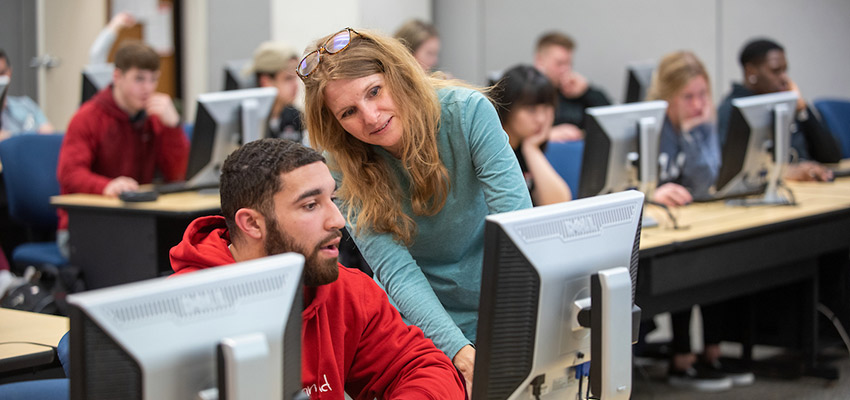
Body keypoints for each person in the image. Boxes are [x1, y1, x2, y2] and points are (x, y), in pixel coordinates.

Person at [299, 28, 532, 390]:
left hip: (500, 305)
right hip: (416, 320)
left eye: (374, 91)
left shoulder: (467, 113)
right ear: (336, 123)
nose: (372, 117)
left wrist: (506, 337)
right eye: (348, 112)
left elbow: (518, 232)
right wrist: (460, 352)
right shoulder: (340, 164)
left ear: (399, 75)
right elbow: (398, 272)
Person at [170, 138, 466, 399]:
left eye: (333, 199)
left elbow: (425, 368)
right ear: (252, 224)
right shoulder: (181, 317)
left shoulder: (345, 289)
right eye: (311, 205)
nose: (338, 220)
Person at [644, 51, 754, 391]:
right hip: (664, 224)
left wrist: (696, 133)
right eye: (687, 97)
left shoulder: (699, 125)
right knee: (690, 269)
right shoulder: (653, 128)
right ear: (668, 98)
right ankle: (682, 358)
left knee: (720, 259)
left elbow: (707, 178)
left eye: (702, 95)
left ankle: (711, 353)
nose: (697, 104)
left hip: (695, 216)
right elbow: (644, 181)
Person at [56, 41, 188, 257]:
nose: (148, 88)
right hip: (84, 227)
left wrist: (172, 128)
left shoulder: (153, 118)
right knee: (143, 257)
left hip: (137, 221)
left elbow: (178, 175)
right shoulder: (87, 118)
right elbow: (69, 174)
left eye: (153, 79)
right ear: (117, 77)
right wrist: (106, 186)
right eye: (139, 79)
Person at [718, 38, 841, 182]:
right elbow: (730, 170)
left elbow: (832, 157)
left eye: (785, 70)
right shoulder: (733, 110)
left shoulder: (786, 103)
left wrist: (802, 109)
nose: (785, 78)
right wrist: (786, 172)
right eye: (776, 71)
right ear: (751, 72)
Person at [491, 64, 571, 205]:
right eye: (531, 109)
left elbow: (559, 202)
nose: (540, 119)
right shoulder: (491, 150)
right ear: (507, 107)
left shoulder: (526, 144)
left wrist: (531, 148)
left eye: (546, 108)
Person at [533, 31, 611, 142]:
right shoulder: (526, 93)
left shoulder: (574, 91)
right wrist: (547, 135)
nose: (565, 69)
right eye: (559, 64)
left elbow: (609, 119)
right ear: (540, 61)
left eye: (569, 63)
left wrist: (586, 91)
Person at [245, 41, 305, 143]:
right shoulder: (248, 124)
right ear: (266, 81)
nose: (295, 85)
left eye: (296, 78)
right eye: (288, 78)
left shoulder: (296, 117)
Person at [0, 49, 54, 140]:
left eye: (2, 73)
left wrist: (10, 137)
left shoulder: (26, 105)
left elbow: (49, 135)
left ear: (10, 72)